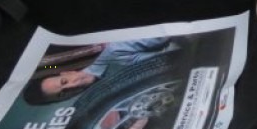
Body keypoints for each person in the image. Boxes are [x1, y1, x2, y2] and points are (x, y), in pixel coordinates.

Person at [23, 38, 178, 104]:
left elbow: (174, 48)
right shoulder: (104, 98)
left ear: (65, 73)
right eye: (62, 93)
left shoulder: (114, 53)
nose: (71, 86)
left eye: (64, 82)